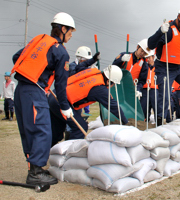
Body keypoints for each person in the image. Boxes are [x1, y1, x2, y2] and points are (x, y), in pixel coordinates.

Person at [11, 12, 76, 186]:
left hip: (21, 90)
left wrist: (36, 71)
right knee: (42, 131)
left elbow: (16, 58)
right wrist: (64, 106)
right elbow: (61, 84)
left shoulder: (39, 41)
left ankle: (34, 168)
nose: (71, 35)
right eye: (70, 31)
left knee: (29, 131)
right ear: (63, 29)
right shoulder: (61, 51)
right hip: (34, 92)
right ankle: (36, 173)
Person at [49, 65, 127, 146]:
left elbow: (79, 68)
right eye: (113, 84)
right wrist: (125, 122)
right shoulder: (100, 89)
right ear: (108, 81)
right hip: (61, 102)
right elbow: (113, 106)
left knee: (56, 131)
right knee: (80, 127)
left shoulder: (94, 72)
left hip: (54, 96)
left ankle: (47, 150)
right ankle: (69, 152)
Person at [140, 50, 158, 121]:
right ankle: (144, 120)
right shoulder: (144, 67)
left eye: (149, 57)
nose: (148, 59)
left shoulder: (158, 67)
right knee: (143, 105)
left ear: (153, 57)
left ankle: (158, 121)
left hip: (154, 89)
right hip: (144, 89)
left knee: (156, 105)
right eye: (147, 57)